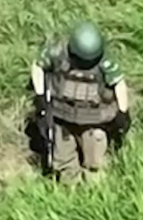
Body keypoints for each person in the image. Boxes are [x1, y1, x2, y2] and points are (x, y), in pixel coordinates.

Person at [30, 21, 131, 184]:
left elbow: (119, 83)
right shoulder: (57, 52)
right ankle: (70, 192)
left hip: (94, 120)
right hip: (61, 117)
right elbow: (38, 66)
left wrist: (122, 112)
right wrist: (40, 96)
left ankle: (95, 194)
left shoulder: (106, 62)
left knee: (95, 161)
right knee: (63, 161)